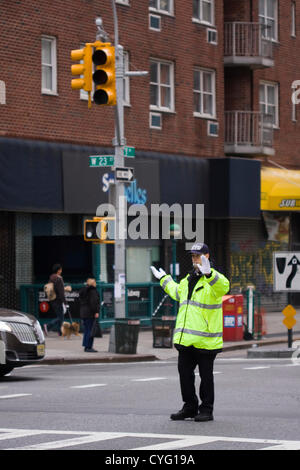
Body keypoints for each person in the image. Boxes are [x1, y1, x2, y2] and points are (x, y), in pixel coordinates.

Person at [150, 243, 230, 422]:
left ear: (207, 257)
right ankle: (189, 407)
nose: (195, 259)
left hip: (206, 340)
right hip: (186, 339)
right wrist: (164, 279)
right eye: (193, 256)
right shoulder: (187, 280)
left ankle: (206, 410)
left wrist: (209, 273)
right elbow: (176, 291)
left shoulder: (213, 281)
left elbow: (224, 287)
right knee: (185, 375)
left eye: (198, 256)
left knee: (206, 377)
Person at [43, 264, 70, 336]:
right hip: (58, 300)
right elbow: (61, 293)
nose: (61, 271)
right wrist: (65, 303)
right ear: (58, 270)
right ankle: (48, 326)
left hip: (52, 300)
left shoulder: (51, 278)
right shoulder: (59, 279)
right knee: (60, 317)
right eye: (61, 269)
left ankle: (60, 332)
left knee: (60, 316)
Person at [79, 277, 100, 353]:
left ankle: (86, 346)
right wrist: (96, 312)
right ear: (93, 283)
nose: (96, 283)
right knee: (90, 330)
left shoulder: (84, 290)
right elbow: (93, 303)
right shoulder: (92, 291)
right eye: (95, 282)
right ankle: (89, 347)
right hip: (90, 313)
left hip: (84, 313)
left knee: (87, 330)